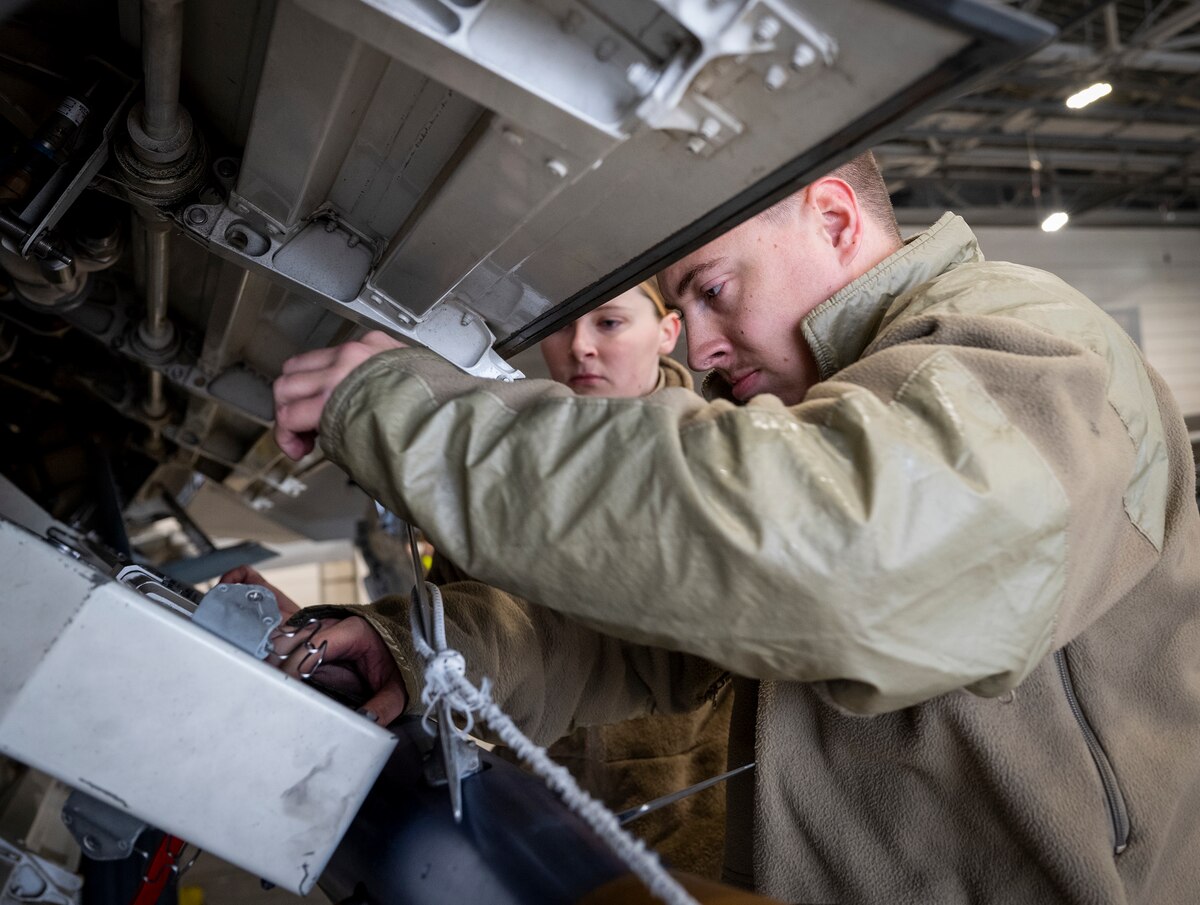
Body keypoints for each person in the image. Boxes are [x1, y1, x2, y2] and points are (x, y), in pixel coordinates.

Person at [269, 150, 1200, 904]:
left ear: (835, 219)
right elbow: (629, 622)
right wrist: (429, 649)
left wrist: (419, 416)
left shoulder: (1029, 337)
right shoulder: (836, 405)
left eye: (713, 290)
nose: (703, 347)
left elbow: (855, 558)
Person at [231, 283, 734, 877]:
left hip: (692, 823)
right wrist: (395, 649)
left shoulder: (720, 463)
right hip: (549, 810)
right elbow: (481, 620)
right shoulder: (491, 474)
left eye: (610, 323)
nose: (579, 349)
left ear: (668, 332)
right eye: (561, 324)